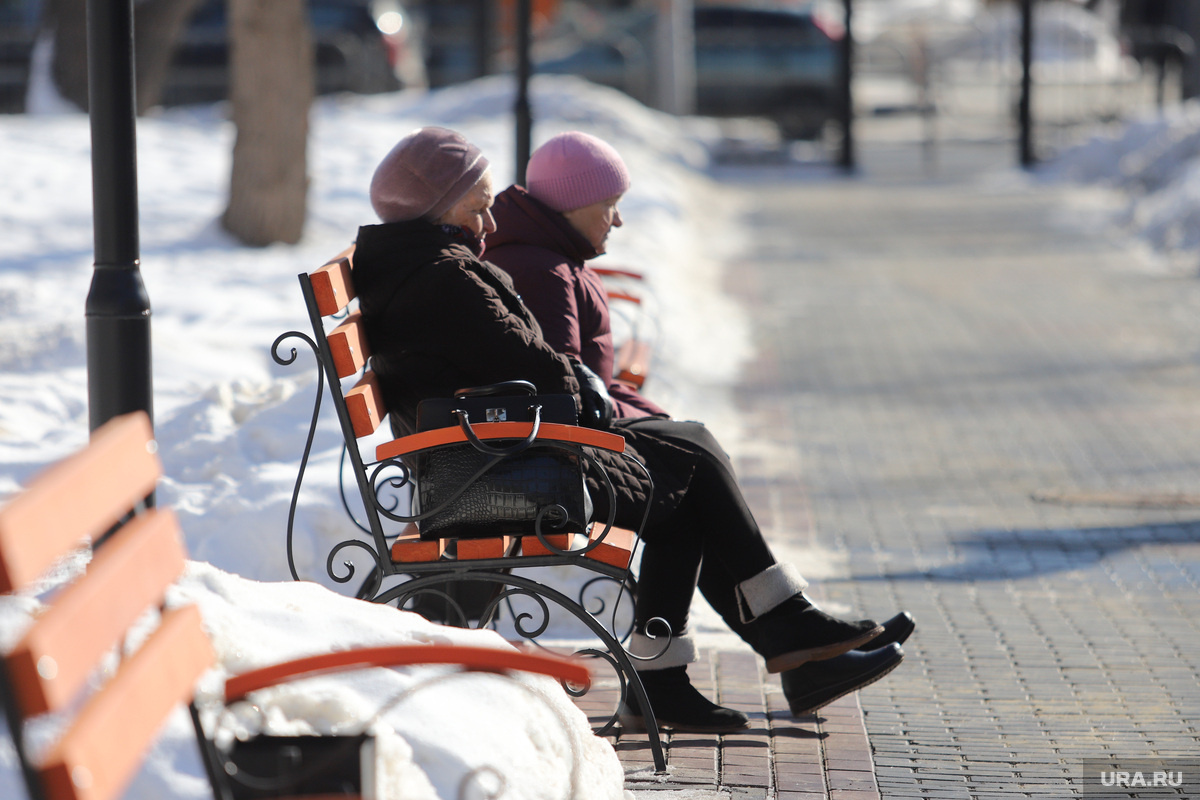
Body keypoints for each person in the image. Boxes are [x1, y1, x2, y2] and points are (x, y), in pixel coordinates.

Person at [354, 126, 896, 733]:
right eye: (478, 209)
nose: (488, 224)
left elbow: (525, 361)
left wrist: (577, 386)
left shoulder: (430, 267)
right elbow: (536, 366)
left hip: (487, 454)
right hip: (494, 470)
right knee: (689, 470)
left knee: (688, 458)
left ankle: (748, 643)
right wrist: (580, 385)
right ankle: (722, 653)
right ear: (439, 206)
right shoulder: (441, 277)